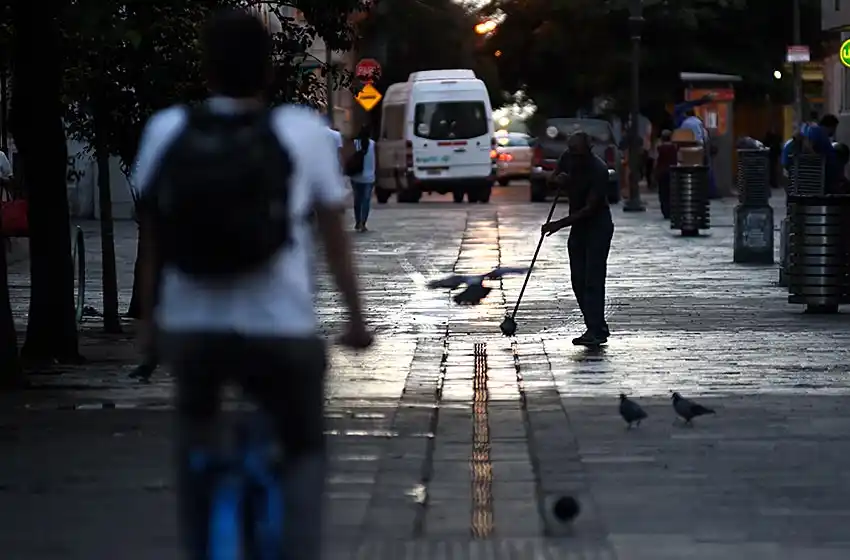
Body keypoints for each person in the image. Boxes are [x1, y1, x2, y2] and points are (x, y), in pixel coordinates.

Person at [130, 9, 372, 560]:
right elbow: (335, 241)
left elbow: (156, 244)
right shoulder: (303, 132)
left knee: (195, 442)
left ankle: (203, 538)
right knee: (304, 451)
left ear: (207, 69)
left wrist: (149, 331)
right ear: (268, 71)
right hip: (281, 332)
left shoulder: (168, 130)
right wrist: (355, 319)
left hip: (194, 331)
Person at [540, 132, 614, 346]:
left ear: (588, 151)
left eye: (579, 155)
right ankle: (595, 325)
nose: (576, 159)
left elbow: (589, 209)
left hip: (597, 225)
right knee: (577, 280)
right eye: (573, 154)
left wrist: (558, 224)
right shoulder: (567, 158)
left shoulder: (599, 170)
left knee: (593, 279)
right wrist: (558, 180)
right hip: (579, 228)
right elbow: (551, 180)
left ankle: (596, 330)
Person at [348, 125, 375, 232]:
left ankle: (357, 221)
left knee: (357, 200)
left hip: (356, 176)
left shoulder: (355, 143)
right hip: (369, 177)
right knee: (366, 200)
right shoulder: (373, 144)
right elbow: (377, 160)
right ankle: (363, 222)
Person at [653, 130, 678, 220]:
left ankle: (665, 211)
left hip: (662, 173)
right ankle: (671, 211)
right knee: (671, 192)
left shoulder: (659, 148)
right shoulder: (674, 148)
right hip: (672, 172)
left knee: (663, 193)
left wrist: (655, 172)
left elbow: (656, 161)